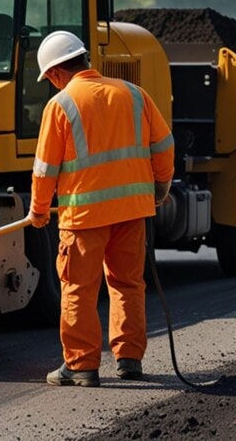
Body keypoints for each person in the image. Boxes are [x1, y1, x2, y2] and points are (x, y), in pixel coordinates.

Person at [29, 32, 174, 387]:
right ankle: (128, 359)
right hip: (132, 212)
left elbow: (45, 168)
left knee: (78, 288)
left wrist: (38, 210)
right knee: (127, 284)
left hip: (84, 217)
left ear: (56, 73)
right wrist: (160, 188)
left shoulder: (61, 105)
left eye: (49, 79)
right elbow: (165, 147)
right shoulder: (134, 94)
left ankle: (81, 365)